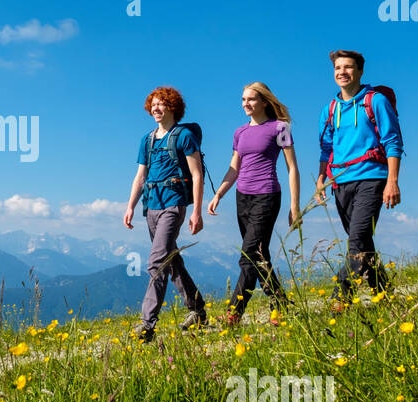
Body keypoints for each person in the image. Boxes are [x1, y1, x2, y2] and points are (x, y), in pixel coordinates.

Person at [313, 50, 403, 309]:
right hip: (340, 182)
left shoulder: (376, 102)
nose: (342, 72)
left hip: (371, 178)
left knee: (356, 240)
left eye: (348, 67)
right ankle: (388, 300)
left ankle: (339, 301)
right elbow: (326, 148)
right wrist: (321, 179)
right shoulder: (330, 109)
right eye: (338, 67)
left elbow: (393, 142)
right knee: (364, 245)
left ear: (360, 71)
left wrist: (392, 181)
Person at [207, 82, 300, 326]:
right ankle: (280, 305)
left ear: (264, 101)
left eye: (251, 99)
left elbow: (292, 169)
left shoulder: (280, 127)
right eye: (243, 99)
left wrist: (295, 206)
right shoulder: (240, 132)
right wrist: (219, 194)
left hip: (267, 195)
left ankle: (233, 314)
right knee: (259, 256)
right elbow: (234, 168)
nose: (245, 104)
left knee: (247, 255)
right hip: (242, 197)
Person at [123, 86, 207, 344]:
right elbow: (140, 176)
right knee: (171, 261)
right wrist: (130, 206)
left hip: (173, 204)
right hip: (151, 206)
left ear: (173, 107)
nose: (156, 109)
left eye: (162, 104)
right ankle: (198, 311)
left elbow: (196, 174)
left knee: (156, 262)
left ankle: (147, 325)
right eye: (153, 105)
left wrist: (197, 212)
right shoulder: (146, 140)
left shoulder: (183, 136)